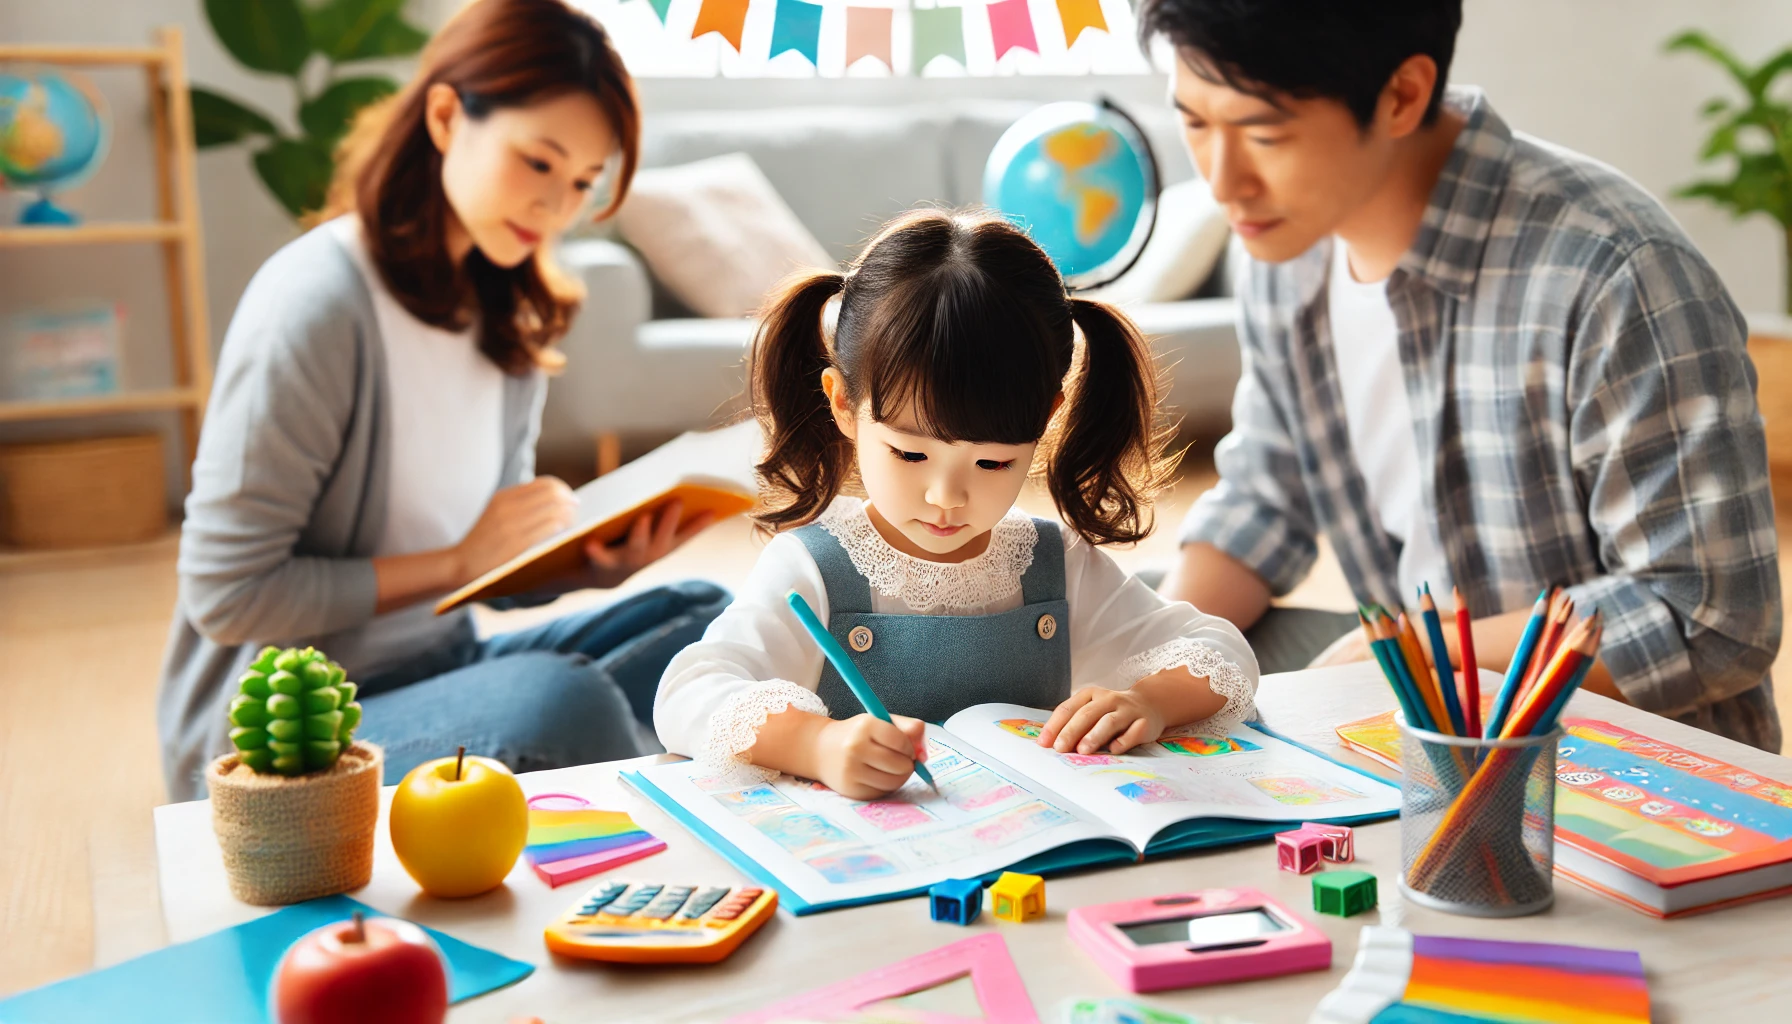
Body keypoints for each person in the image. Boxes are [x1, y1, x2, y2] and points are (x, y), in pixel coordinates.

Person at [1140, 0, 1782, 749]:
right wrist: (1158, 658)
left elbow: (1709, 617)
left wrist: (1416, 662)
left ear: (1403, 95)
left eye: (1264, 134)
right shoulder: (1286, 253)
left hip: (1636, 791)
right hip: (1427, 762)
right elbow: (1263, 503)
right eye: (1193, 122)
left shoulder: (1616, 273)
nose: (1224, 183)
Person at [158, 0, 728, 801]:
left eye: (580, 183)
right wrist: (457, 563)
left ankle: (634, 771)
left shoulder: (510, 313)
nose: (554, 207)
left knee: (711, 620)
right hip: (297, 722)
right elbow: (228, 594)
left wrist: (589, 565)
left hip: (441, 667)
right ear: (445, 115)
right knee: (565, 703)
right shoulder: (318, 303)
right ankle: (661, 792)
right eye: (537, 162)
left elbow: (481, 573)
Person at [653, 210, 1258, 799]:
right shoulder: (814, 566)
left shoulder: (1051, 563)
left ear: (1045, 419)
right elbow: (688, 692)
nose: (946, 498)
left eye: (992, 463)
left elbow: (1220, 652)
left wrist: (1147, 701)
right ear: (843, 405)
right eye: (910, 456)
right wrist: (817, 745)